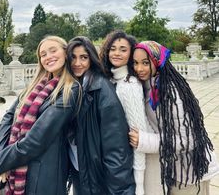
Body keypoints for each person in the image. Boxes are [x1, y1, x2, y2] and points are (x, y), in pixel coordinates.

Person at [0, 35, 81, 195]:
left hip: (44, 173)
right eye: (43, 54)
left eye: (53, 50)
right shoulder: (35, 85)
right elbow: (8, 118)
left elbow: (35, 140)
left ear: (66, 53)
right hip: (17, 162)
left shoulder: (70, 90)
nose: (48, 57)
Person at [132, 40, 219, 195]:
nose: (139, 68)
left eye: (145, 62)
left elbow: (187, 140)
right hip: (176, 169)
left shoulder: (171, 93)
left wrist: (144, 140)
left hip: (190, 172)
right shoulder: (152, 86)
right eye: (135, 62)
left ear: (158, 61)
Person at [66, 36, 136, 195]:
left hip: (97, 177)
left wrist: (122, 191)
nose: (77, 63)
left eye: (84, 57)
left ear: (91, 59)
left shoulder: (101, 89)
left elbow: (116, 147)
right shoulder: (72, 86)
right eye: (73, 57)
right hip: (80, 171)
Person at [99, 30, 149, 195]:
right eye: (113, 48)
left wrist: (139, 184)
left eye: (123, 49)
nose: (117, 53)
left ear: (131, 53)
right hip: (112, 161)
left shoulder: (130, 85)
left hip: (125, 166)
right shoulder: (112, 79)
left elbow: (138, 137)